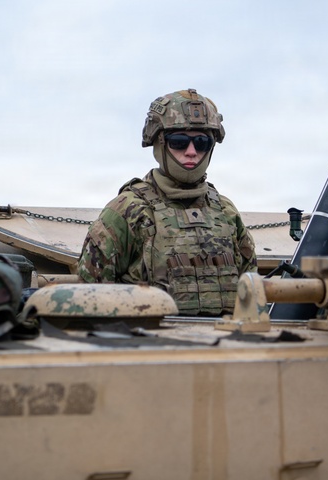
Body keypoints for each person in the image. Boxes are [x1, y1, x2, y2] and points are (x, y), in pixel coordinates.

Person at [77, 89, 257, 316]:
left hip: (227, 346)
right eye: (179, 141)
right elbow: (89, 299)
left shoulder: (226, 212)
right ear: (160, 143)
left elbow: (251, 292)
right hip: (150, 346)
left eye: (202, 142)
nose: (191, 152)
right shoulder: (126, 211)